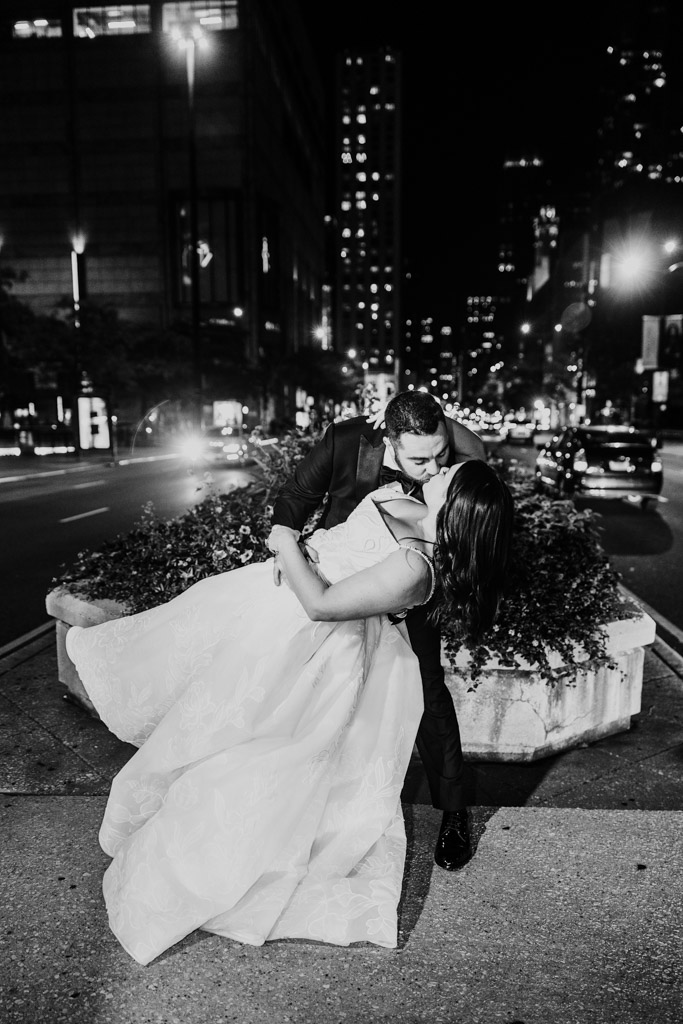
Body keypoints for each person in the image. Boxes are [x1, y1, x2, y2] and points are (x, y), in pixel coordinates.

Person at [65, 457, 513, 966]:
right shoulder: (409, 503)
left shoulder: (416, 566)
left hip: (314, 647)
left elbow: (322, 605)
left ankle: (205, 870)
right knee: (220, 729)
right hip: (276, 625)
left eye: (446, 477)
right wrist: (312, 543)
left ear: (456, 507)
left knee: (259, 755)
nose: (435, 471)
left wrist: (286, 545)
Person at [270, 391, 485, 872]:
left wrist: (437, 421)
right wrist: (286, 545)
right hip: (343, 582)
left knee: (428, 692)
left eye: (440, 456)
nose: (432, 470)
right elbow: (296, 497)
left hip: (411, 587)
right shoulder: (347, 441)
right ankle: (318, 813)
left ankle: (453, 812)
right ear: (389, 439)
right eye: (418, 459)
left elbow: (480, 456)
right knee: (327, 696)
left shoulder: (444, 448)